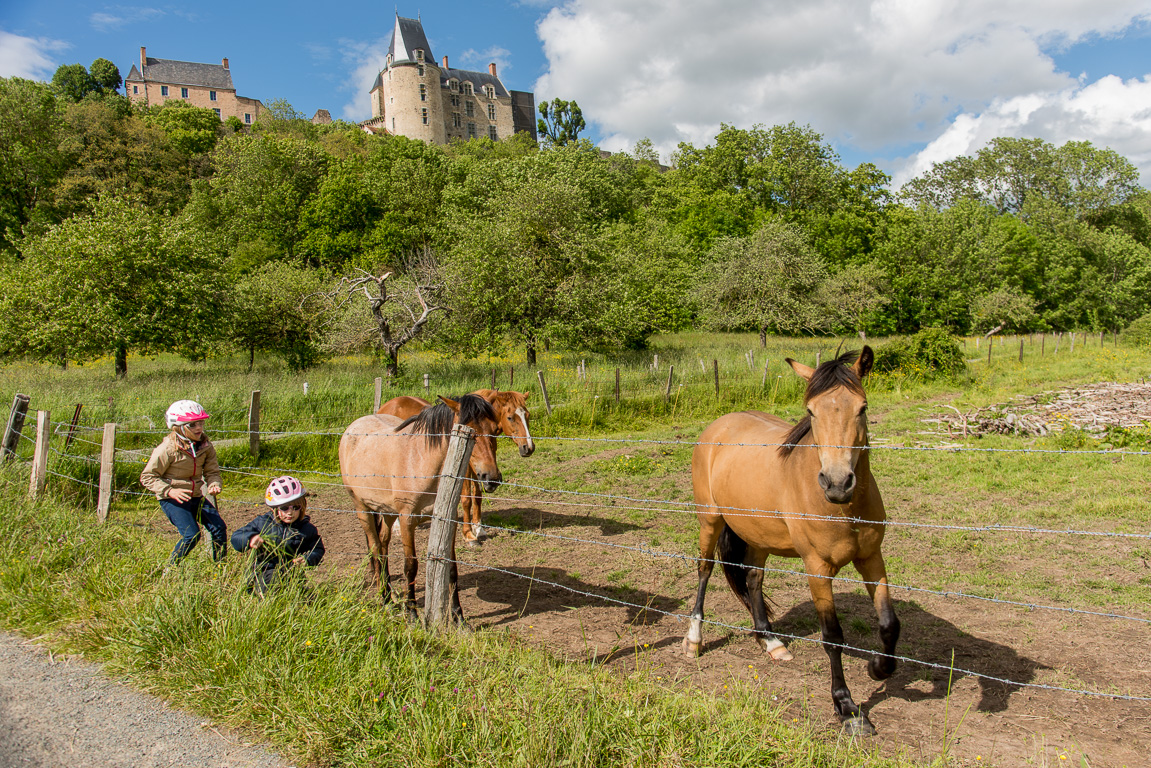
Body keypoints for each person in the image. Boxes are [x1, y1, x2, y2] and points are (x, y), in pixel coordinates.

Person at [140, 400, 228, 566]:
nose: (199, 428)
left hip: (195, 496)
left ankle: (220, 567)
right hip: (173, 499)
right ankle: (170, 568)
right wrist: (170, 491)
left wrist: (214, 483)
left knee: (219, 528)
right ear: (178, 427)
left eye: (201, 423)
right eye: (192, 425)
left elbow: (212, 472)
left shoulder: (205, 446)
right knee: (192, 535)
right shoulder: (167, 449)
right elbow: (148, 476)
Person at [231, 476, 325, 594]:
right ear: (274, 509)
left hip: (292, 574)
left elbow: (317, 549)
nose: (290, 512)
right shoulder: (263, 523)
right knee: (274, 581)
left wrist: (307, 559)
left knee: (309, 599)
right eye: (284, 508)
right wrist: (250, 538)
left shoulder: (306, 529)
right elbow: (236, 536)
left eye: (295, 507)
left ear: (302, 507)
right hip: (264, 573)